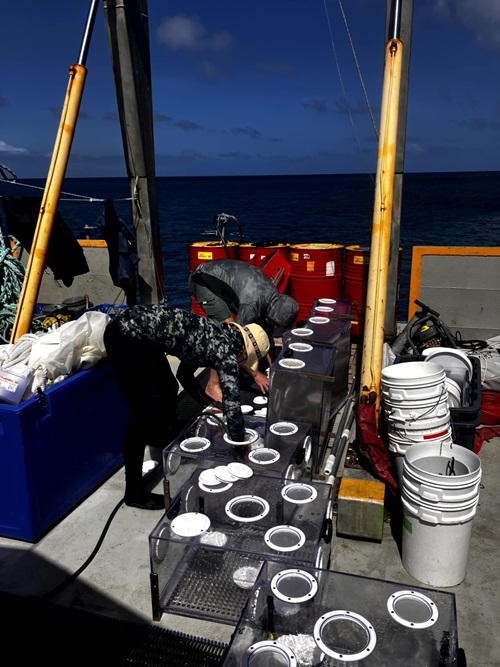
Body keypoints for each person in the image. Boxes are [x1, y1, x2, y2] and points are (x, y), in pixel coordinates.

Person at [103, 305, 270, 510]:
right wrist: (240, 446)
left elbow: (184, 375)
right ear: (244, 351)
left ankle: (164, 435)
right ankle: (134, 493)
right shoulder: (226, 354)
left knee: (168, 386)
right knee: (141, 415)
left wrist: (206, 405)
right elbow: (233, 408)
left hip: (141, 332)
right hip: (125, 338)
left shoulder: (214, 331)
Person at [185, 258, 299, 402]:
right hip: (201, 279)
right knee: (227, 329)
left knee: (251, 329)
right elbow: (231, 339)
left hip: (228, 281)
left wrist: (275, 369)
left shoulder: (273, 299)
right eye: (275, 323)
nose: (275, 326)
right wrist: (256, 375)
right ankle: (212, 384)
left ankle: (237, 367)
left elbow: (268, 331)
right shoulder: (251, 306)